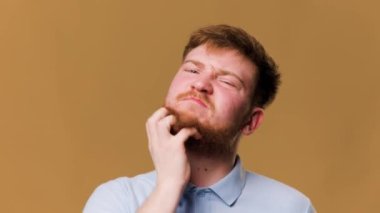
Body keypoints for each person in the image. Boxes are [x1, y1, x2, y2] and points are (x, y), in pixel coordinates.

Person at [83, 24, 316, 213]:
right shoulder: (118, 197)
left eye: (227, 81)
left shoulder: (292, 207)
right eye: (192, 70)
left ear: (251, 121)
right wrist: (169, 186)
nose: (201, 84)